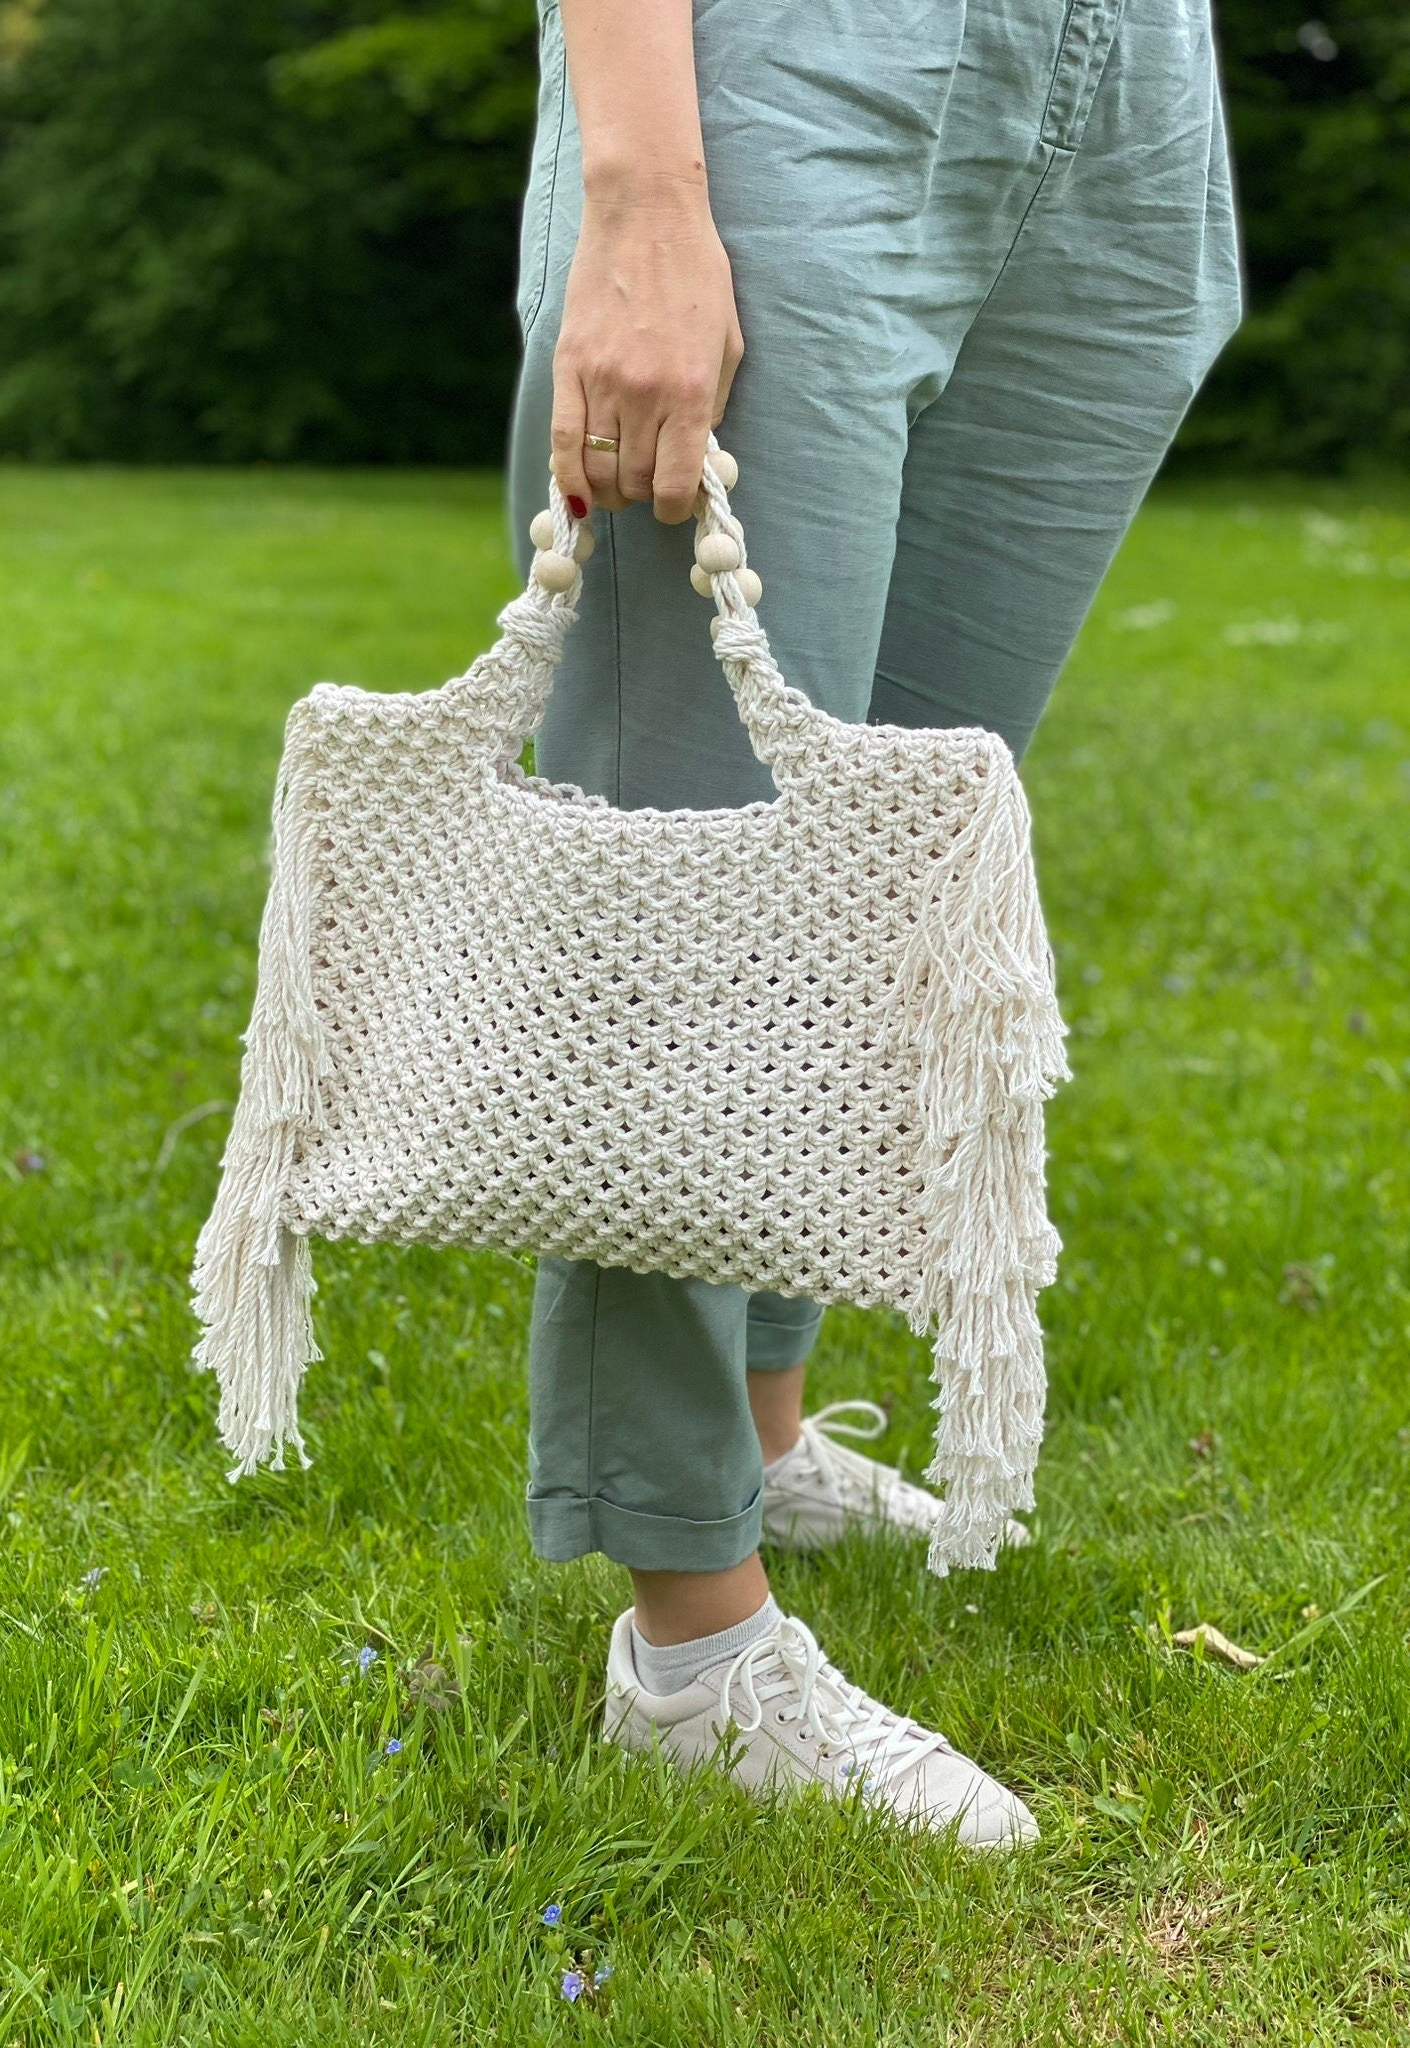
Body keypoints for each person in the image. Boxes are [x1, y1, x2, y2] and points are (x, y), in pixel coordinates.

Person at [504, 0, 1240, 1847]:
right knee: (696, 860)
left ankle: (764, 1424)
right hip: (784, 62)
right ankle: (691, 1640)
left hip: (1121, 75)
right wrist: (646, 187)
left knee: (888, 849)